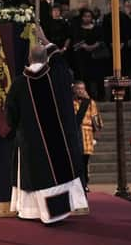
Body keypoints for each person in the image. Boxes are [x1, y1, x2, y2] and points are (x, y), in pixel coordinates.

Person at [7, 29, 88, 224]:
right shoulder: (57, 78)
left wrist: (18, 129)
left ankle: (30, 212)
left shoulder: (19, 84)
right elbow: (60, 61)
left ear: (28, 58)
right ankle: (56, 213)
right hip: (56, 143)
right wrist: (45, 39)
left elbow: (11, 116)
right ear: (46, 59)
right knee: (55, 174)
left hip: (29, 142)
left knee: (31, 173)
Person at [73, 81, 102, 192]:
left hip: (87, 135)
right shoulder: (71, 102)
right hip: (76, 134)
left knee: (85, 162)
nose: (80, 90)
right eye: (78, 88)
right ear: (74, 90)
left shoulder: (91, 103)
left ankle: (85, 183)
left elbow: (96, 120)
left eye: (82, 88)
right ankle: (79, 183)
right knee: (77, 161)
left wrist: (96, 134)